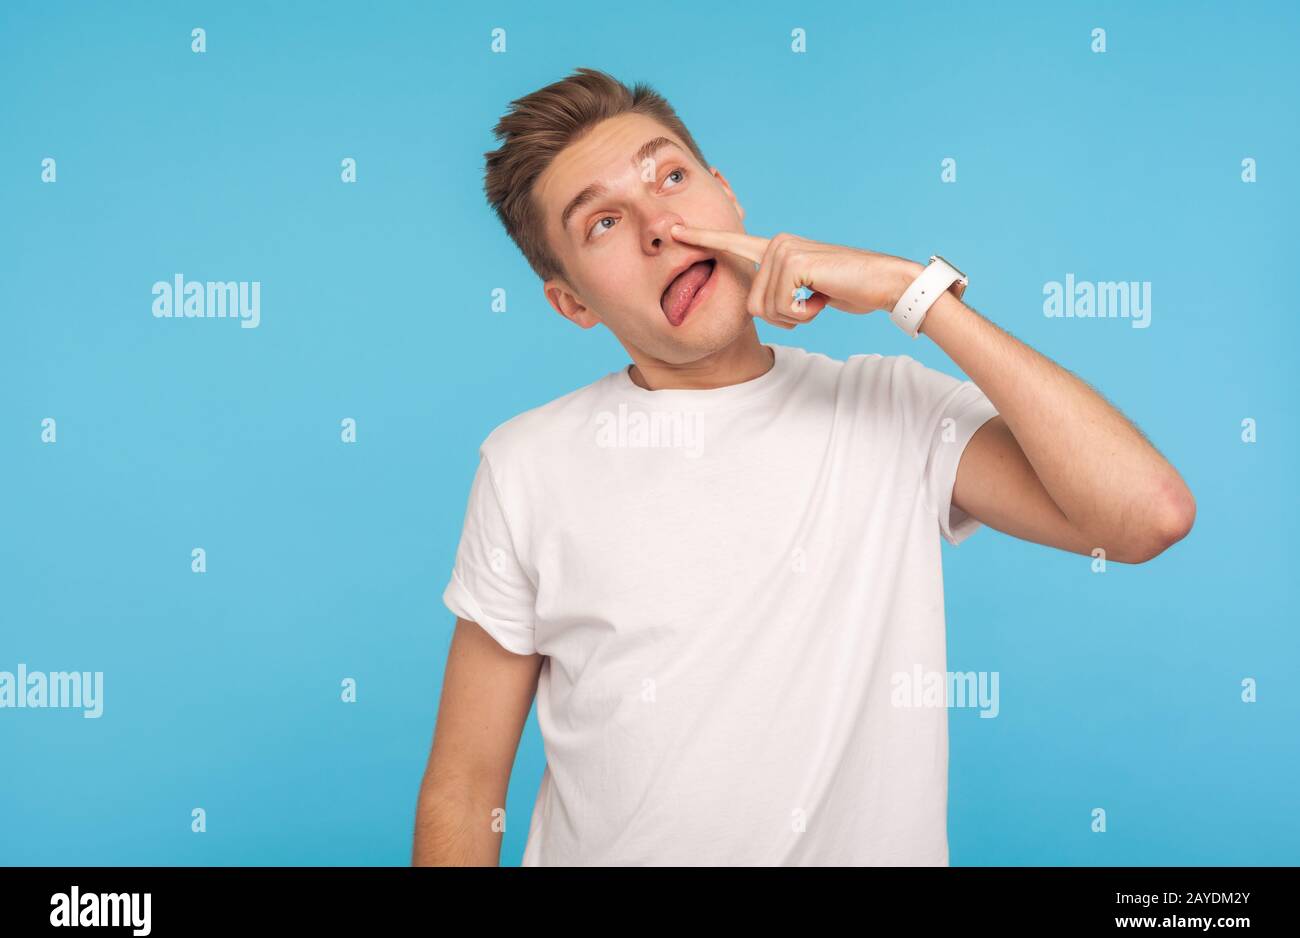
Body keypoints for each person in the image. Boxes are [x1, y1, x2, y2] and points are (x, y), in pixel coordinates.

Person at [411, 67, 1195, 866]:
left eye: (672, 177)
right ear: (571, 302)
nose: (659, 226)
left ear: (727, 192)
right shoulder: (526, 465)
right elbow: (465, 790)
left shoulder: (892, 409)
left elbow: (1147, 516)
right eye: (604, 223)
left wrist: (911, 292)